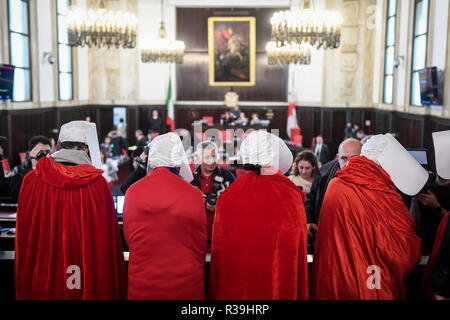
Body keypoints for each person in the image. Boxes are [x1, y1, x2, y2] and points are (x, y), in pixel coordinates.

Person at [15, 121, 127, 299]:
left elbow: (25, 235)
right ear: (87, 149)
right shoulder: (98, 184)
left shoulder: (32, 180)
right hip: (82, 272)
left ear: (59, 146)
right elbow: (105, 239)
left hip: (47, 271)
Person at [311, 133, 426, 299]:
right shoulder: (385, 194)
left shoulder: (335, 185)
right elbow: (403, 251)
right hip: (375, 278)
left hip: (337, 275)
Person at [209, 130, 309, 300]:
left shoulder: (228, 196)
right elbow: (296, 250)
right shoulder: (291, 196)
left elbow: (221, 253)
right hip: (278, 285)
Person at [123, 132, 207, 299]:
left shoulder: (132, 191)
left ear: (151, 160)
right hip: (185, 284)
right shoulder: (194, 194)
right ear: (179, 161)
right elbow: (200, 244)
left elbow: (130, 238)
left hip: (143, 283)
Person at [191, 141, 235, 251]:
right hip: (195, 239)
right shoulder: (190, 179)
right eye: (207, 157)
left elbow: (237, 205)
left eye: (214, 156)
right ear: (199, 158)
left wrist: (220, 208)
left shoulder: (228, 177)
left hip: (222, 238)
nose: (211, 161)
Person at [421, 130, 450, 300]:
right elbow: (413, 220)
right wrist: (416, 199)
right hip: (425, 242)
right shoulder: (427, 180)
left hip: (442, 250)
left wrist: (436, 206)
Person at [10, 135, 52, 202]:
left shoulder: (55, 171)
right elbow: (16, 195)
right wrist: (35, 169)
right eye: (40, 152)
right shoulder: (20, 172)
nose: (45, 155)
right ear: (31, 153)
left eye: (47, 152)